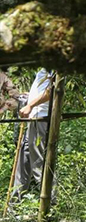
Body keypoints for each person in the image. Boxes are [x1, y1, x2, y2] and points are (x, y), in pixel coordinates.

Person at [12, 69, 55, 202]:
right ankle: (15, 205)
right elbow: (43, 89)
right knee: (23, 162)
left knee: (39, 162)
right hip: (33, 117)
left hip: (40, 118)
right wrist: (29, 96)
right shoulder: (46, 65)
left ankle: (51, 203)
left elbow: (51, 91)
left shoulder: (55, 65)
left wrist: (30, 105)